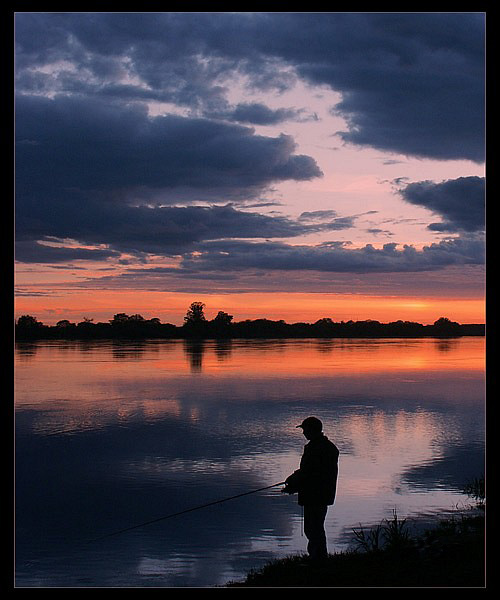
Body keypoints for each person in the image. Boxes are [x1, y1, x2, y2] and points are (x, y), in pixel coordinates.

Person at [282, 416, 339, 562]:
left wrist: (293, 483)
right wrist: (294, 482)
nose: (303, 433)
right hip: (319, 494)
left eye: (305, 429)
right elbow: (309, 472)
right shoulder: (324, 447)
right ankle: (317, 557)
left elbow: (310, 473)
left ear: (313, 430)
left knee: (313, 528)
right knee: (315, 527)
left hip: (316, 495)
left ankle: (318, 559)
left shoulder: (318, 448)